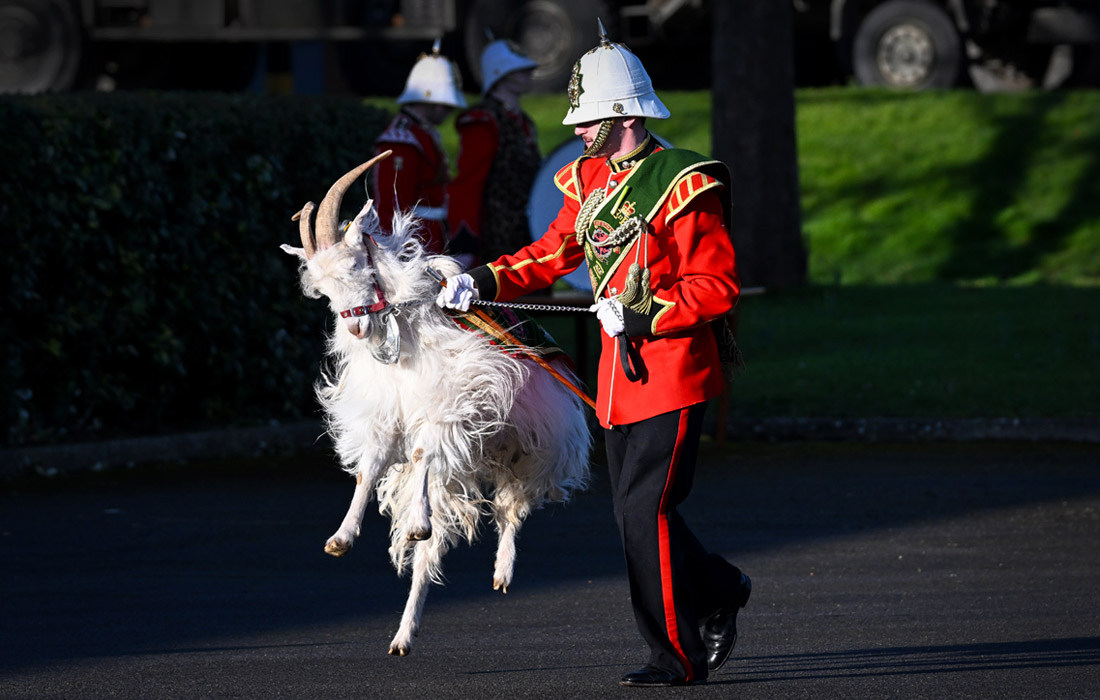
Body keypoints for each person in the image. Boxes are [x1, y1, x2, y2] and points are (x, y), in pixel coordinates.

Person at [436, 25, 751, 688]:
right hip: (618, 382)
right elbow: (552, 253)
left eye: (588, 118)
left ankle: (676, 656)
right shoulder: (588, 178)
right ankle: (722, 588)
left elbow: (715, 287)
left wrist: (642, 313)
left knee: (643, 512)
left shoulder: (684, 182)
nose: (577, 129)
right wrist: (482, 279)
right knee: (639, 513)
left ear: (624, 117)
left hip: (673, 374)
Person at [447, 38, 540, 268]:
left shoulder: (523, 120)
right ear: (502, 74)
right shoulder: (482, 121)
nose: (530, 73)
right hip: (495, 239)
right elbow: (467, 186)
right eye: (521, 69)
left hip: (526, 232)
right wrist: (466, 240)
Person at [370, 39, 465, 255]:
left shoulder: (421, 132)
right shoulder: (401, 141)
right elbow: (391, 207)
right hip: (414, 245)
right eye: (445, 104)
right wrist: (395, 253)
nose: (449, 110)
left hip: (430, 237)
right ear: (429, 98)